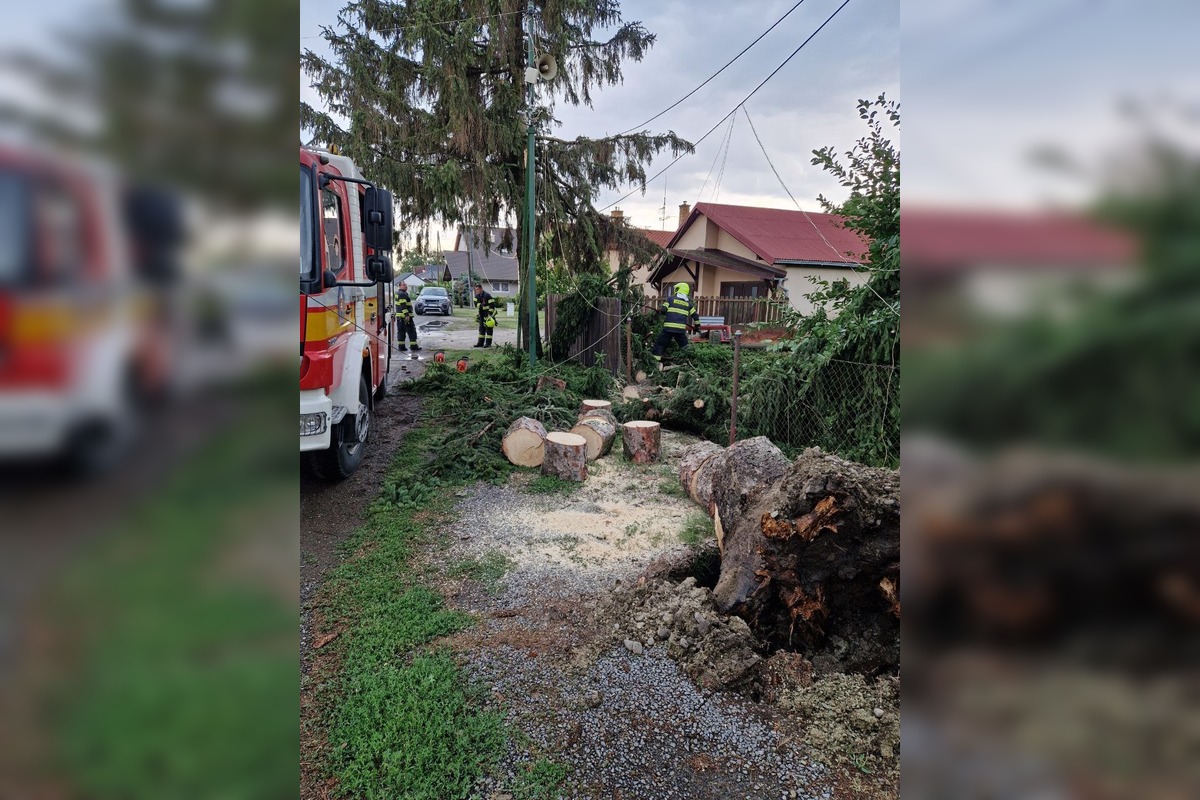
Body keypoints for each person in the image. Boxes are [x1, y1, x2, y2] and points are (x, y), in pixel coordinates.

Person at [651, 282, 699, 363]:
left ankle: (655, 364)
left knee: (660, 345)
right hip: (680, 330)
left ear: (678, 289)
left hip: (668, 329)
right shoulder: (689, 304)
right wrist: (697, 327)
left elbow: (663, 310)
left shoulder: (670, 299)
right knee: (685, 347)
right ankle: (689, 362)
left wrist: (659, 312)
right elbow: (695, 316)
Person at [394, 281, 420, 352]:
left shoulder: (397, 294)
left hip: (399, 318)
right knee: (412, 331)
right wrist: (407, 315)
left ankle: (401, 347)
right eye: (404, 285)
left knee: (401, 332)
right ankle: (413, 346)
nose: (406, 286)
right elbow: (403, 305)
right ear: (400, 286)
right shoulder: (402, 294)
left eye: (406, 285)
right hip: (405, 318)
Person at [473, 283, 499, 348]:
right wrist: (481, 305)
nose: (477, 291)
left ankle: (488, 344)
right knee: (481, 330)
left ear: (481, 289)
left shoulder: (487, 295)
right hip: (481, 315)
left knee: (489, 330)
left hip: (488, 315)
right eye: (476, 290)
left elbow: (492, 306)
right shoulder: (477, 296)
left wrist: (489, 315)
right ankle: (480, 343)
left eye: (478, 289)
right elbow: (476, 304)